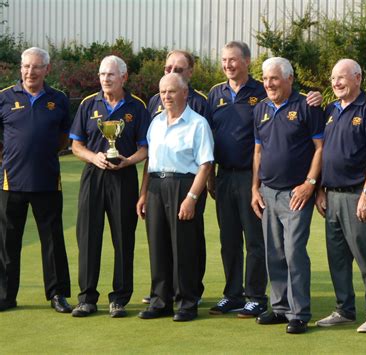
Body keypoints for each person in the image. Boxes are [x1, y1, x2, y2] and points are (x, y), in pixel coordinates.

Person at [207, 41, 323, 318]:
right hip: (239, 180)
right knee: (244, 244)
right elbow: (230, 142)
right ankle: (251, 299)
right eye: (224, 60)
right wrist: (219, 178)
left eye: (233, 60)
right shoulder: (226, 97)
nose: (228, 65)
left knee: (277, 247)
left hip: (276, 185)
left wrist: (310, 183)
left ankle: (273, 303)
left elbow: (319, 142)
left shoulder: (280, 99)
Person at [69, 55, 150, 318]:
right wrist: (94, 157)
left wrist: (127, 161)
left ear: (124, 77)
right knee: (88, 237)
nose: (105, 79)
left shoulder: (137, 107)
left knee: (123, 238)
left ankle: (119, 298)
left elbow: (145, 148)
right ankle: (87, 298)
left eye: (111, 75)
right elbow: (76, 145)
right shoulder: (87, 104)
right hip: (93, 176)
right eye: (102, 74)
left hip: (123, 177)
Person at [251, 57, 324, 334]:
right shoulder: (261, 109)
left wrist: (310, 184)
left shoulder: (307, 105)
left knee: (294, 252)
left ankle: (299, 312)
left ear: (289, 79)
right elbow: (257, 152)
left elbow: (320, 148)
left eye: (274, 78)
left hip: (296, 193)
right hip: (267, 191)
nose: (269, 84)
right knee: (274, 252)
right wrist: (254, 188)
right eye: (266, 79)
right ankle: (280, 308)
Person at [314, 59, 366, 332]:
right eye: (333, 78)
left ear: (358, 78)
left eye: (341, 78)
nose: (336, 83)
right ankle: (344, 309)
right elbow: (323, 152)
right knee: (337, 257)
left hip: (357, 194)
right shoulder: (331, 109)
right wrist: (320, 189)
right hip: (331, 196)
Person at [0, 47, 72, 313]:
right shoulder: (4, 98)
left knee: (53, 241)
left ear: (47, 70)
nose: (31, 72)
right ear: (21, 68)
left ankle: (57, 295)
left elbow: (63, 138)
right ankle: (5, 296)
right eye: (26, 66)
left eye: (37, 67)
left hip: (47, 182)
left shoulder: (59, 99)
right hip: (11, 183)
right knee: (7, 243)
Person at [136, 73, 214, 322]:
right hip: (156, 185)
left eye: (171, 91)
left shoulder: (198, 123)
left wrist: (192, 197)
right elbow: (151, 161)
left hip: (184, 185)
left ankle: (186, 303)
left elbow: (205, 164)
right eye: (162, 92)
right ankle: (160, 301)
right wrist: (143, 194)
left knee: (184, 246)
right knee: (158, 245)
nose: (166, 96)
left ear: (184, 93)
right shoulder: (156, 122)